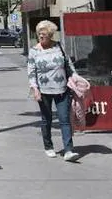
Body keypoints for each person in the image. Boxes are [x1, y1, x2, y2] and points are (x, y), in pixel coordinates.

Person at [28, 20, 80, 162]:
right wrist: (35, 88)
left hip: (62, 89)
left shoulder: (59, 47)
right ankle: (48, 146)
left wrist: (75, 77)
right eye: (39, 34)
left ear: (50, 35)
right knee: (47, 120)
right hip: (44, 91)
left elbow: (68, 63)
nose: (41, 36)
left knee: (64, 119)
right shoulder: (34, 51)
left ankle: (68, 150)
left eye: (43, 34)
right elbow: (31, 72)